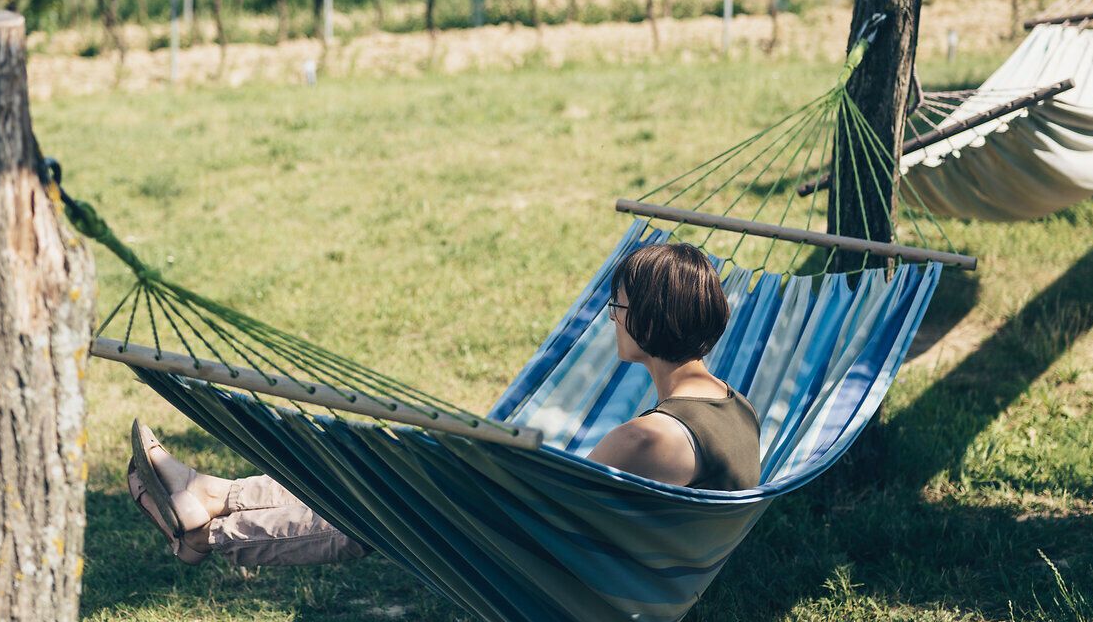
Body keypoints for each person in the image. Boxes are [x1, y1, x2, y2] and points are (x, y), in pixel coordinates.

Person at [126, 241, 762, 567]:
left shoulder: (650, 438)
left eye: (617, 306)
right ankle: (208, 497)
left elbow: (554, 516)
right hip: (616, 569)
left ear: (648, 319)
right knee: (391, 478)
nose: (611, 318)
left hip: (551, 576)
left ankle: (211, 531)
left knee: (384, 504)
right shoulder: (737, 411)